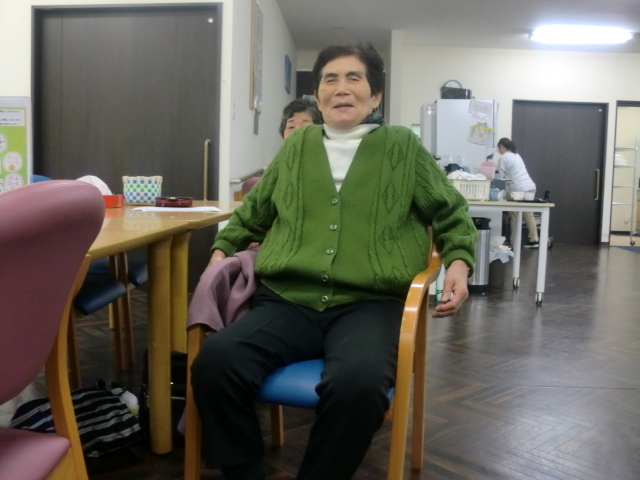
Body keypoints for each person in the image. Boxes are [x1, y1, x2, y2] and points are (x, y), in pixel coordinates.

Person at [191, 42, 477, 480]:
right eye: (330, 79)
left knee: (358, 386)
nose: (341, 88)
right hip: (288, 299)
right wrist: (220, 253)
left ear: (375, 96)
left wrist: (458, 264)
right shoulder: (297, 146)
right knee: (215, 363)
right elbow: (253, 214)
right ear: (319, 95)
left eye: (354, 78)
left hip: (371, 304)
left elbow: (451, 214)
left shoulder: (402, 146)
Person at [496, 137, 539, 248]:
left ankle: (514, 242)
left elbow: (499, 176)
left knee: (514, 215)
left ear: (501, 146)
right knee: (528, 214)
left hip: (518, 190)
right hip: (530, 187)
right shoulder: (516, 155)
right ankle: (534, 240)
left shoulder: (504, 158)